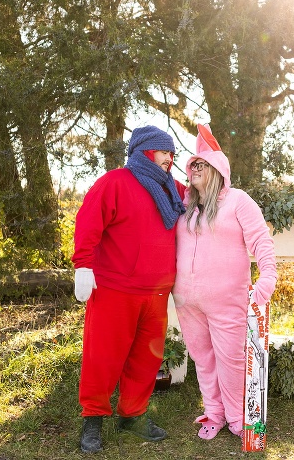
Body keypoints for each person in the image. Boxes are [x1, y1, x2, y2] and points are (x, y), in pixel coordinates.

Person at [72, 125, 186, 454]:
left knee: (145, 359)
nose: (170, 158)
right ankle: (93, 418)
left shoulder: (172, 190)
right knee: (103, 357)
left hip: (157, 293)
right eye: (165, 151)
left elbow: (203, 195)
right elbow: (88, 222)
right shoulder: (114, 183)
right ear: (146, 151)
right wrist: (83, 265)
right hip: (115, 289)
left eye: (172, 153)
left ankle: (132, 414)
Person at [172, 124, 277, 440]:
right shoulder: (186, 207)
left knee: (231, 359)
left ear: (217, 168)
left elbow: (261, 241)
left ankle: (238, 418)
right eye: (192, 166)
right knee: (203, 359)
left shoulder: (238, 201)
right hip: (187, 301)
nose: (194, 170)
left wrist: (267, 279)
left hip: (227, 298)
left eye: (200, 165)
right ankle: (214, 414)